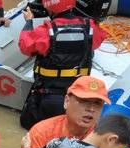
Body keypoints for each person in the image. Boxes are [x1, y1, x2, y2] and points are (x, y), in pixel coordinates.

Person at [18, 0, 106, 129]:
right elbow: (99, 40)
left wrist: (29, 22)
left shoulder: (46, 31)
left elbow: (25, 46)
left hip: (48, 96)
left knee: (28, 125)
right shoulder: (90, 27)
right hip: (77, 97)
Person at [16, 75, 110, 148]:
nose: (91, 109)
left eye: (97, 103)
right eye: (84, 101)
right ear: (67, 101)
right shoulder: (42, 131)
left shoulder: (108, 138)